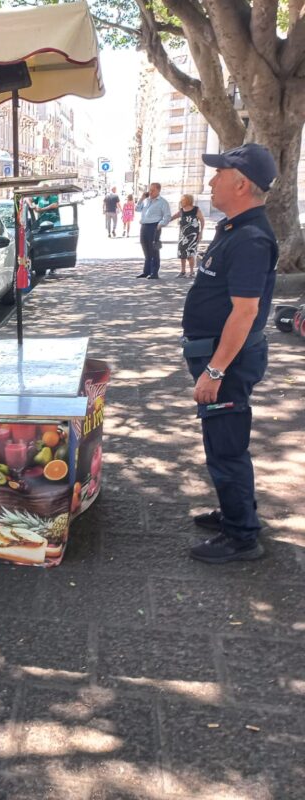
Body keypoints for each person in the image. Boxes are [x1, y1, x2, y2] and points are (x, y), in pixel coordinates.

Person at [181, 143, 278, 563]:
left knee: (226, 446)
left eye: (219, 174)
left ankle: (241, 536)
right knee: (220, 440)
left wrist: (216, 371)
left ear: (240, 183)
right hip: (218, 357)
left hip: (229, 362)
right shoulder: (235, 229)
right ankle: (235, 511)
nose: (211, 180)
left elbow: (245, 311)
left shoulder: (251, 239)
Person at [135, 183, 171, 279]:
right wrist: (142, 198)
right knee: (146, 249)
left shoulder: (163, 202)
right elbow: (137, 209)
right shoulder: (146, 201)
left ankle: (154, 272)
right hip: (144, 226)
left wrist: (160, 224)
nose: (150, 192)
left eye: (153, 190)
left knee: (154, 249)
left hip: (154, 227)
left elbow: (167, 216)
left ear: (158, 190)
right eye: (149, 190)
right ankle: (146, 271)